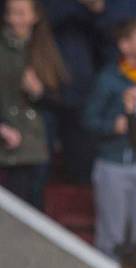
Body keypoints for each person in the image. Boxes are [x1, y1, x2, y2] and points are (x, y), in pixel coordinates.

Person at [84, 18, 136, 257]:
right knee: (111, 237)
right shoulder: (108, 78)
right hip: (112, 165)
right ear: (125, 45)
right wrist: (112, 125)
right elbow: (88, 120)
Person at [0, 0, 67, 209]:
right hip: (8, 142)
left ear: (34, 16)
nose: (15, 20)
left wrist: (39, 92)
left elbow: (63, 99)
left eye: (21, 13)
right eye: (11, 13)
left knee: (34, 206)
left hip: (38, 143)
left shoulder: (44, 48)